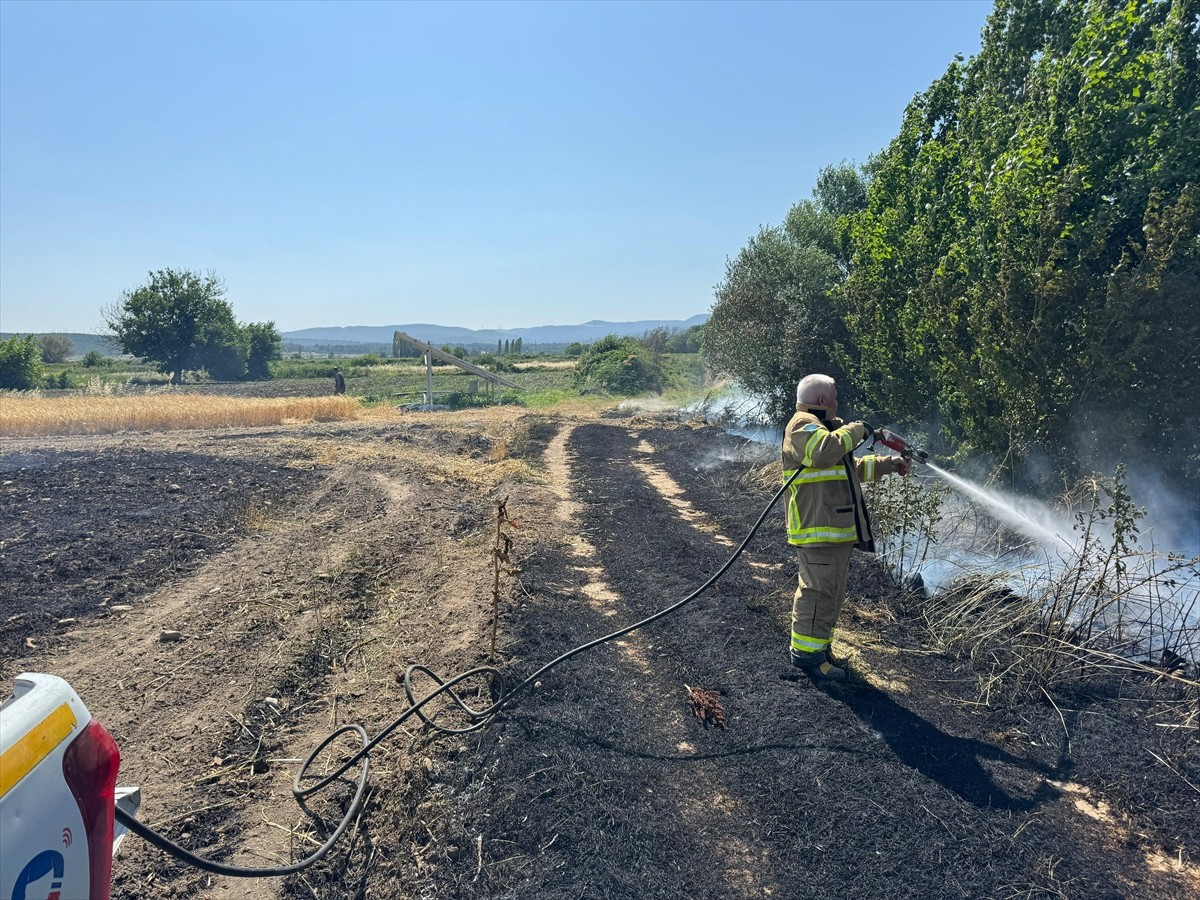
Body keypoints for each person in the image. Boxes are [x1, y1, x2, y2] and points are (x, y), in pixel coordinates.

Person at [782, 373, 910, 682]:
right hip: (818, 531)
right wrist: (859, 428)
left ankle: (821, 649)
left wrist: (889, 464)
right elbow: (823, 451)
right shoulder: (802, 425)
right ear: (823, 400)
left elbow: (850, 470)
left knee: (831, 595)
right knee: (817, 594)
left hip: (832, 531)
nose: (838, 402)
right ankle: (808, 658)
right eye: (835, 397)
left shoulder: (824, 429)